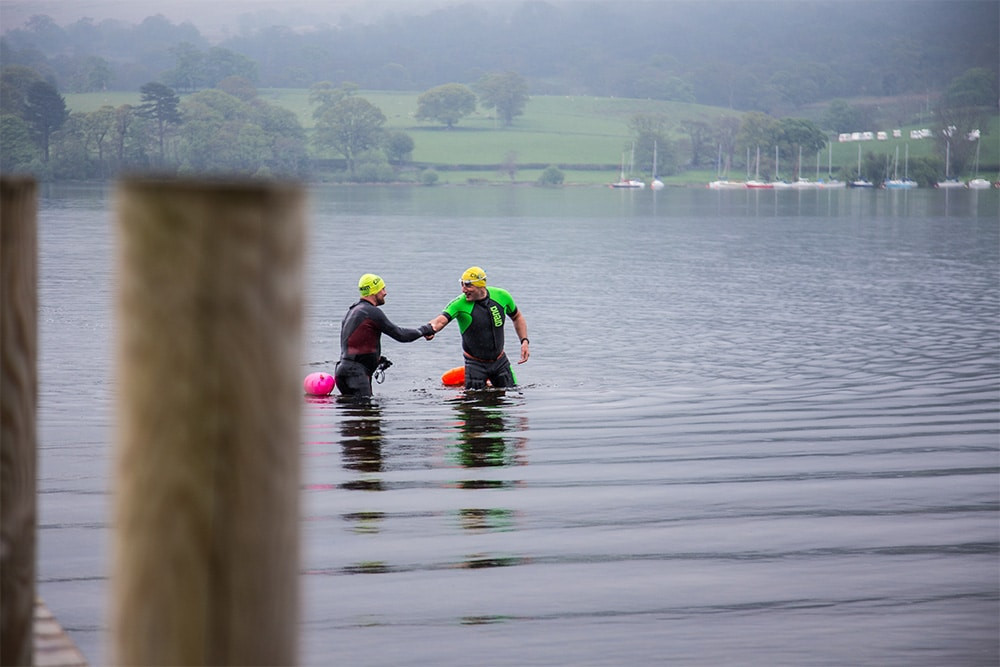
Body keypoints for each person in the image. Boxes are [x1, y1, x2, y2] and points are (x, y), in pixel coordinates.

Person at [427, 266, 529, 389]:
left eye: (468, 286)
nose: (463, 290)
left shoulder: (502, 296)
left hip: (500, 362)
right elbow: (440, 320)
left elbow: (517, 317)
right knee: (473, 405)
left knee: (512, 396)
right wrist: (430, 329)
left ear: (481, 286)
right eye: (462, 284)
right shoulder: (459, 303)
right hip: (475, 365)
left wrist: (524, 341)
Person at [335, 273, 434, 397]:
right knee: (366, 414)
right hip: (356, 374)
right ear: (373, 291)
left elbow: (354, 345)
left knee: (353, 414)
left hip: (342, 371)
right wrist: (424, 330)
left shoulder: (352, 311)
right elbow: (400, 334)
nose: (385, 293)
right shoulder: (371, 312)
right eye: (382, 289)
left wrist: (376, 360)